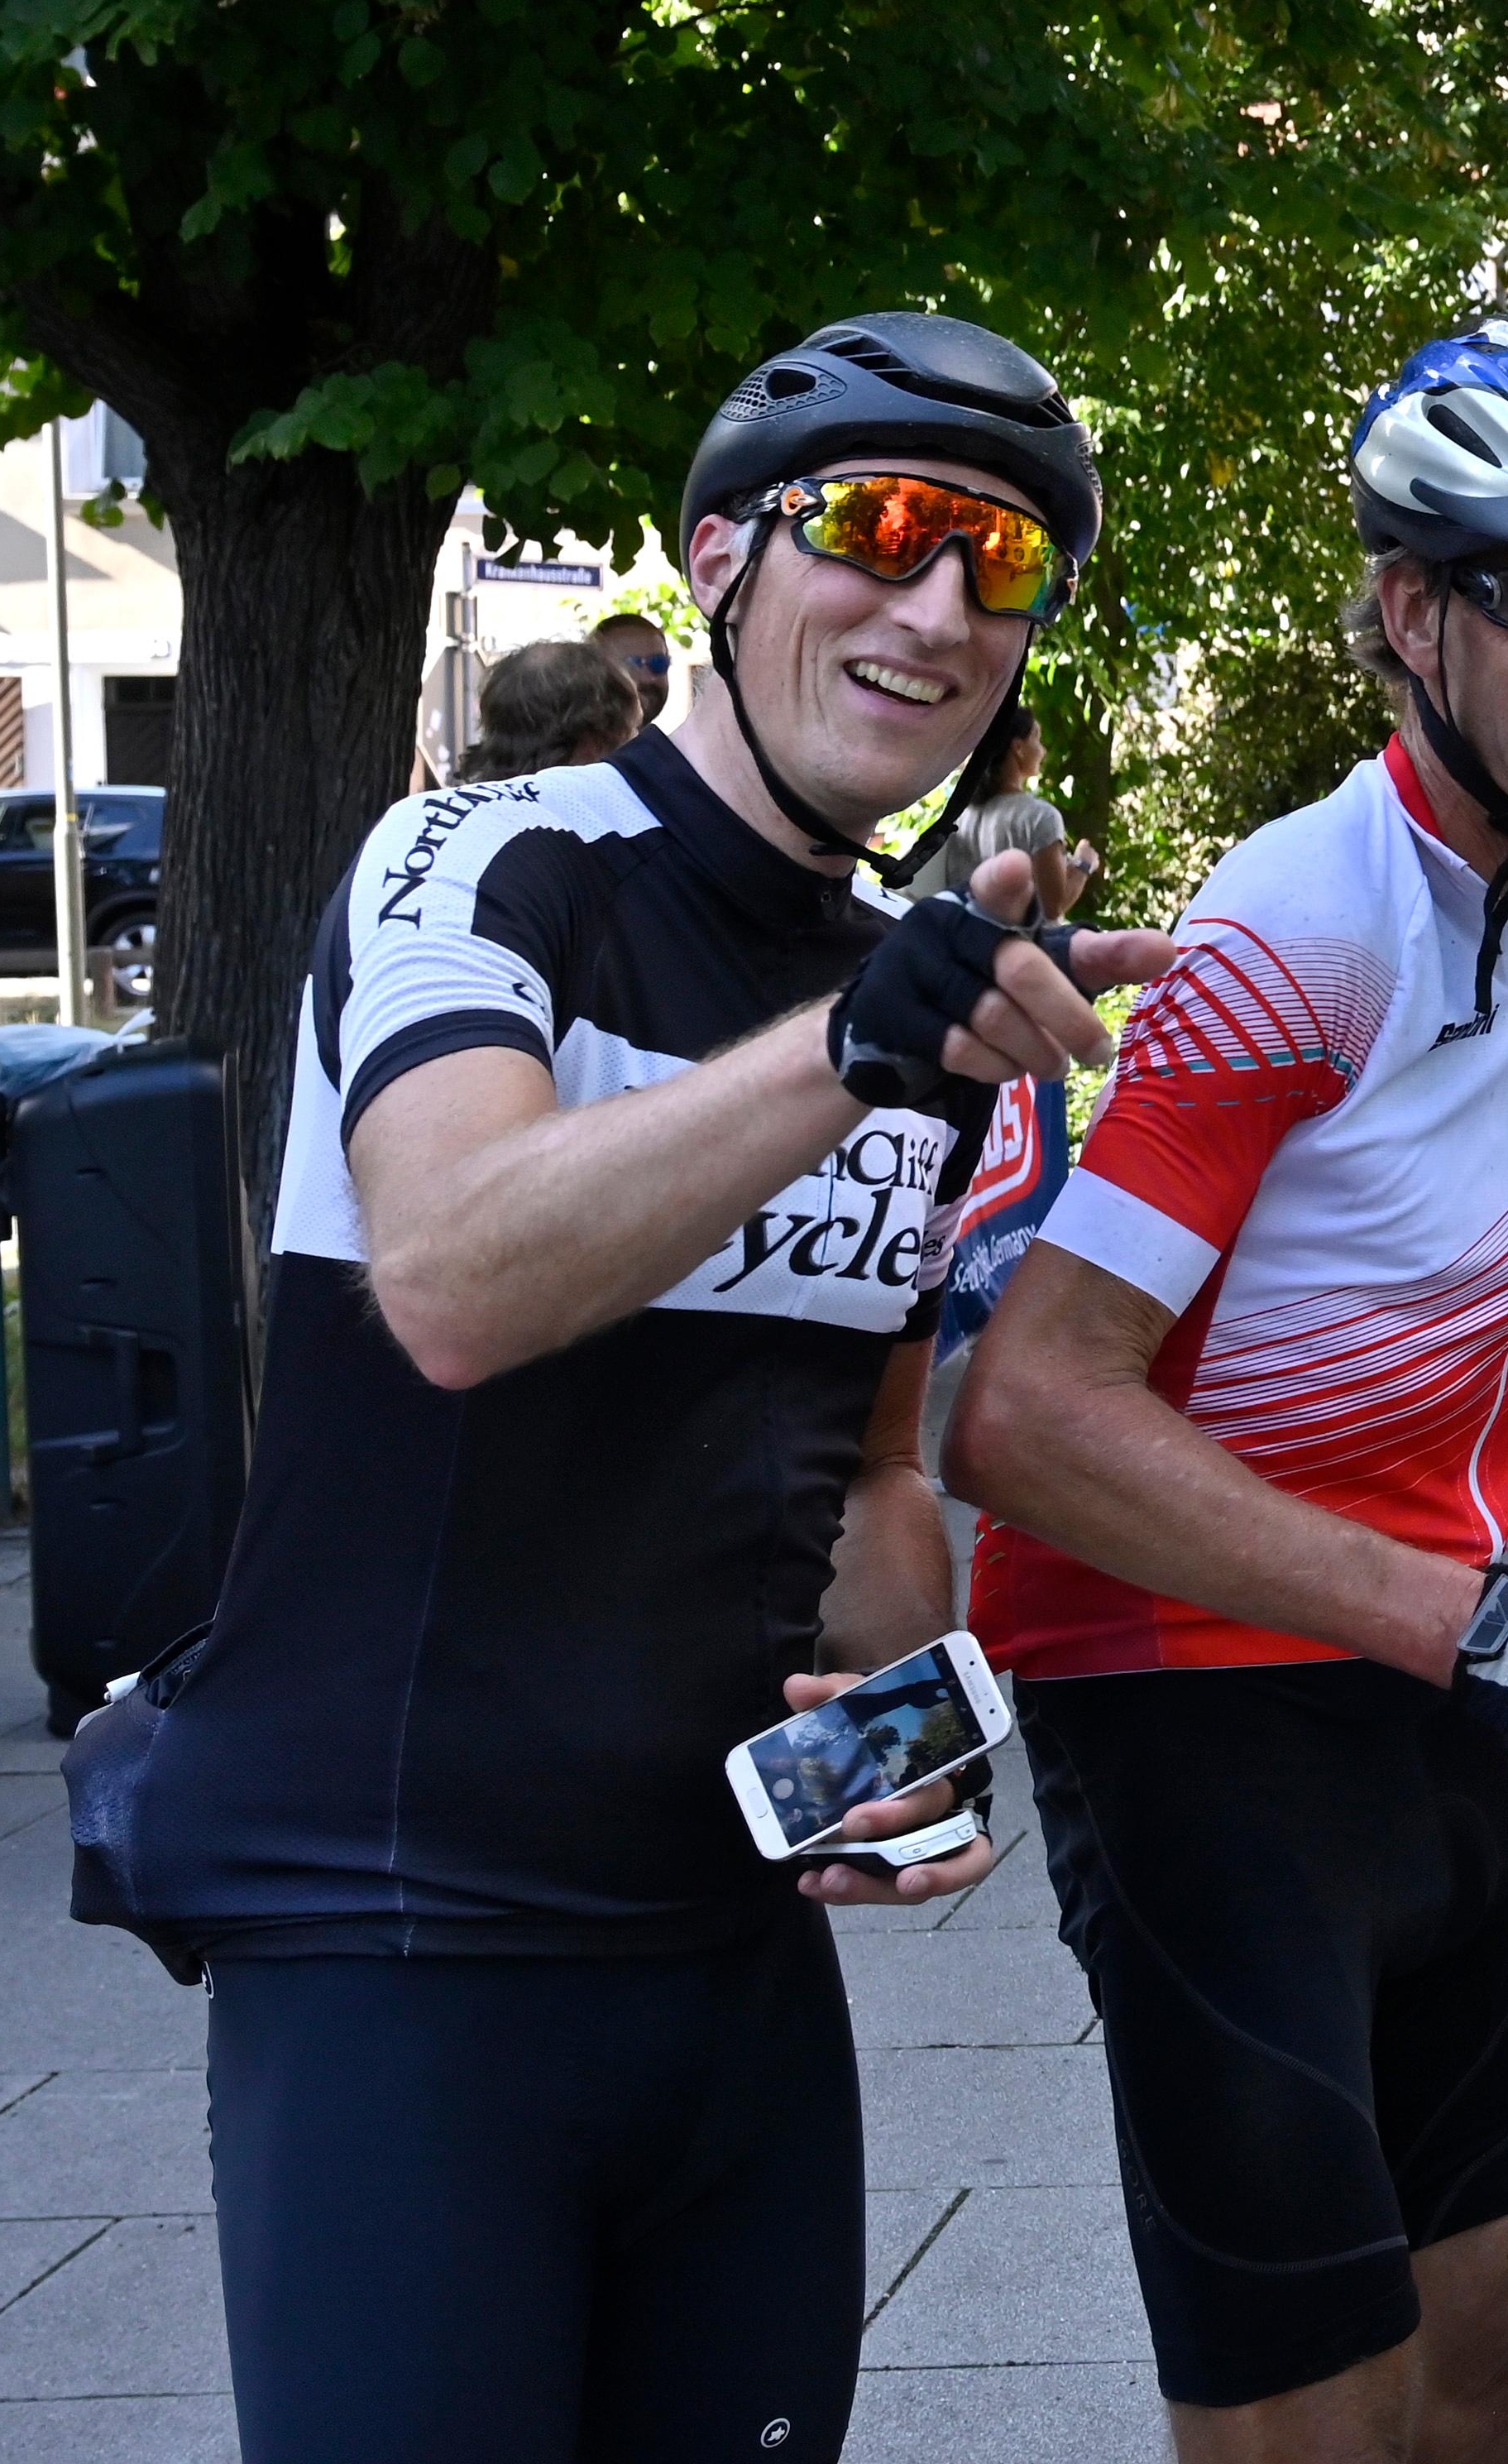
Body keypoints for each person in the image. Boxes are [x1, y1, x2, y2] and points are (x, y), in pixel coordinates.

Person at [113, 313, 1167, 2462]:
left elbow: (867, 1469)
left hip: (724, 1963)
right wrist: (862, 1036)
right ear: (718, 557)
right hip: (400, 1953)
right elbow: (454, 1271)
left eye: (1003, 564)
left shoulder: (910, 995)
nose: (937, 605)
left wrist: (929, 1728)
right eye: (880, 530)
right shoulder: (487, 866)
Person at [946, 308, 1508, 2463]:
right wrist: (1501, 1626)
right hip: (1177, 1692)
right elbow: (1030, 1414)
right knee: (1316, 2419)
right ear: (1409, 616)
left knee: (1491, 2375)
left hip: (1421, 1666)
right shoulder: (1298, 929)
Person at [932, 697, 1075, 900]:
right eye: (1037, 738)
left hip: (963, 928)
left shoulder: (961, 813)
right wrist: (1083, 866)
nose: (1043, 750)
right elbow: (1052, 909)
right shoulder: (1040, 816)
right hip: (1013, 932)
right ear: (1018, 748)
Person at [457, 635, 644, 781]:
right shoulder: (597, 823)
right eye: (633, 729)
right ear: (593, 744)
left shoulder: (458, 813)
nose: (639, 741)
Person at [591, 606, 676, 726]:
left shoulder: (670, 744)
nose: (647, 678)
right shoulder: (565, 742)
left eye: (658, 663)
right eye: (630, 665)